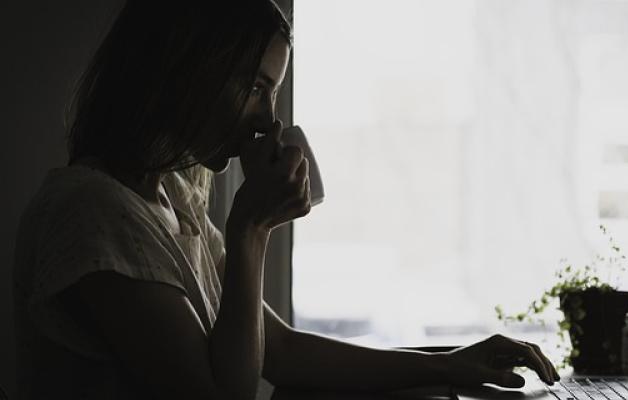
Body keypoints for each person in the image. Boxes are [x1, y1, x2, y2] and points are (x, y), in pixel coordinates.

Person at [12, 1, 559, 399]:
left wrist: (448, 364)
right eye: (255, 86)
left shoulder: (172, 203)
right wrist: (251, 230)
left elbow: (282, 350)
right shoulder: (91, 211)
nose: (269, 118)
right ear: (183, 70)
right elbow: (223, 395)